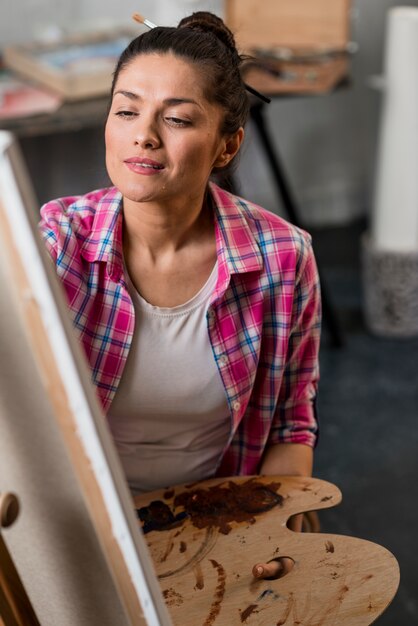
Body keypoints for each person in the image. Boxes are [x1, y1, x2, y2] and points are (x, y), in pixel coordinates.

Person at [39, 11, 321, 579]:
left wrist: (274, 528)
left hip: (214, 515)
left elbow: (291, 422)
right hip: (78, 519)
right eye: (126, 110)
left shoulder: (283, 258)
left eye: (176, 119)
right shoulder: (58, 241)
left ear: (226, 145)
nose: (143, 134)